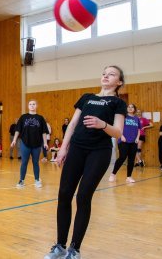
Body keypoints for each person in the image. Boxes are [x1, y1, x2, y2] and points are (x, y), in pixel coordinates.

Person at [44, 65, 126, 259]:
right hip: (77, 150)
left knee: (82, 197)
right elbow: (72, 124)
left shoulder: (117, 103)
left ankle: (74, 248)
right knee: (64, 194)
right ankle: (60, 245)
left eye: (112, 74)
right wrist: (64, 148)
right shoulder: (87, 97)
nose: (106, 76)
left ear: (119, 82)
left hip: (99, 152)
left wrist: (102, 124)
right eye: (104, 73)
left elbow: (118, 132)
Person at [11, 99, 49, 188]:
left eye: (34, 104)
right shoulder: (23, 117)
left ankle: (37, 180)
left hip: (37, 144)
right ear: (28, 106)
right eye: (30, 104)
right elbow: (17, 130)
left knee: (35, 162)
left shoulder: (40, 118)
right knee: (24, 162)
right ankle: (21, 181)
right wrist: (14, 140)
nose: (32, 105)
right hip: (25, 143)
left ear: (36, 106)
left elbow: (44, 131)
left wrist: (45, 143)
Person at [108, 103, 141, 183]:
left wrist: (137, 138)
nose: (130, 108)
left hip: (133, 141)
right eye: (128, 107)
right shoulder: (123, 117)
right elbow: (118, 127)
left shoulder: (137, 118)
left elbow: (139, 129)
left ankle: (129, 177)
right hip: (123, 140)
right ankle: (113, 174)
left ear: (134, 109)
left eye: (132, 107)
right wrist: (121, 136)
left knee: (131, 160)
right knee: (122, 157)